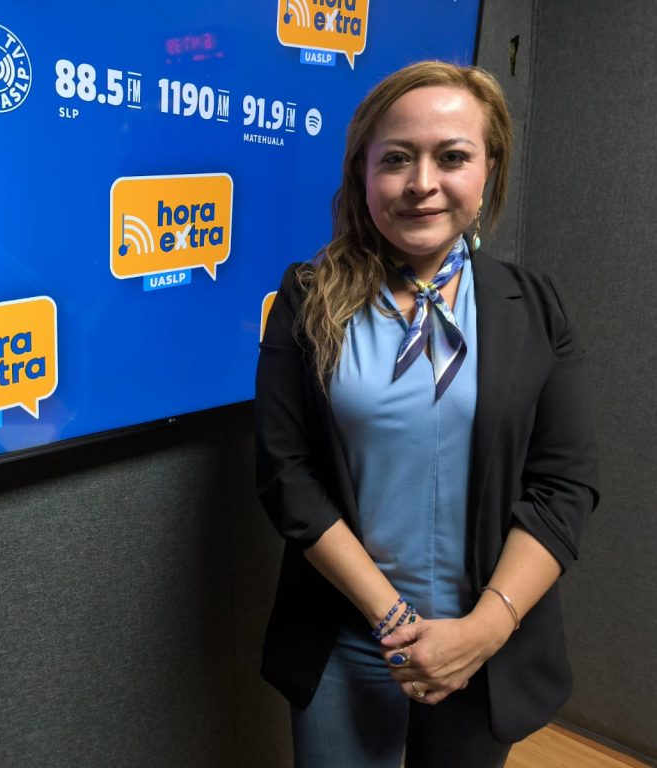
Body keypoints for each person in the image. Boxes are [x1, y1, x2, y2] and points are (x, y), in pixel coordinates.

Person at [254, 61, 599, 767]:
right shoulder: (307, 298)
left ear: (489, 170)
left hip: (485, 642)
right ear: (362, 173)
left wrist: (483, 630)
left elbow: (564, 484)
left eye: (453, 157)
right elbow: (286, 477)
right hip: (346, 639)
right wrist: (392, 619)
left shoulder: (536, 307)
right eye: (396, 159)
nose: (422, 183)